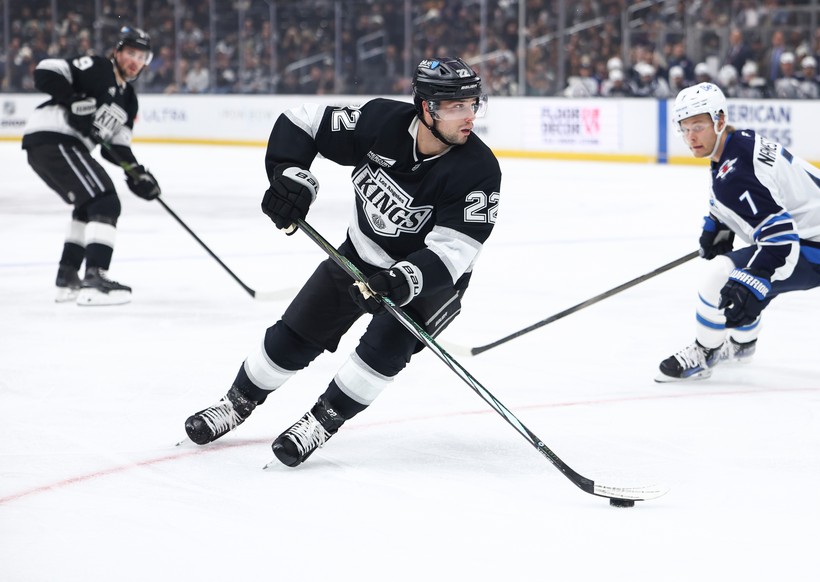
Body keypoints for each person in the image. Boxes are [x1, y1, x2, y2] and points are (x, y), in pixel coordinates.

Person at [184, 57, 502, 467]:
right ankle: (236, 403)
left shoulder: (478, 169)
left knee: (381, 351)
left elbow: (455, 251)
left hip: (430, 281)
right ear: (426, 107)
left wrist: (400, 281)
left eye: (474, 104)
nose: (470, 116)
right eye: (457, 106)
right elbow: (303, 122)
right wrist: (289, 173)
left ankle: (322, 420)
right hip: (360, 254)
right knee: (293, 335)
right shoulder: (380, 122)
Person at [656, 82, 820, 382]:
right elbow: (751, 194)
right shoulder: (737, 141)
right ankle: (743, 344)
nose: (691, 136)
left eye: (698, 125)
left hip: (817, 248)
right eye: (685, 129)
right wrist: (718, 224)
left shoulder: (736, 173)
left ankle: (705, 353)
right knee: (742, 279)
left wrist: (757, 277)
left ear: (720, 120)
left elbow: (780, 238)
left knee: (721, 278)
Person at [21, 26, 161, 306]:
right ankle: (95, 280)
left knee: (88, 205)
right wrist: (72, 100)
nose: (134, 61)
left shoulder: (128, 101)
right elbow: (46, 71)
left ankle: (68, 278)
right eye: (130, 53)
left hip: (62, 145)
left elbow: (117, 147)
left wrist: (137, 173)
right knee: (106, 202)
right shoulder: (98, 67)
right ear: (118, 52)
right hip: (55, 136)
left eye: (141, 57)